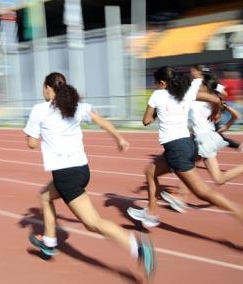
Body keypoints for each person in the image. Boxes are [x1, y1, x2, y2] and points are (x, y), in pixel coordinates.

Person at [24, 72, 156, 279]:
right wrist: (119, 139)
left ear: (49, 88)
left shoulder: (39, 110)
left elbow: (31, 143)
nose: (43, 92)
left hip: (66, 175)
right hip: (82, 171)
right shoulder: (76, 106)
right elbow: (101, 121)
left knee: (92, 223)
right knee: (44, 196)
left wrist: (37, 136)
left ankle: (138, 247)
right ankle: (49, 242)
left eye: (44, 88)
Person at [127, 67, 243, 246]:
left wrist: (155, 114)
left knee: (203, 193)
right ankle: (151, 213)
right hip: (188, 145)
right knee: (150, 172)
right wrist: (216, 113)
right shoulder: (186, 92)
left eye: (157, 83)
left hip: (176, 149)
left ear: (161, 83)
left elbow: (145, 121)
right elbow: (216, 98)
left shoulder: (158, 95)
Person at [160, 74, 243, 213]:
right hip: (210, 139)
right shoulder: (213, 101)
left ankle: (180, 199)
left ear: (205, 87)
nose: (197, 87)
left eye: (200, 85)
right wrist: (221, 117)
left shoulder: (198, 101)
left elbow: (187, 95)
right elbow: (230, 109)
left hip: (203, 140)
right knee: (218, 179)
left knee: (185, 166)